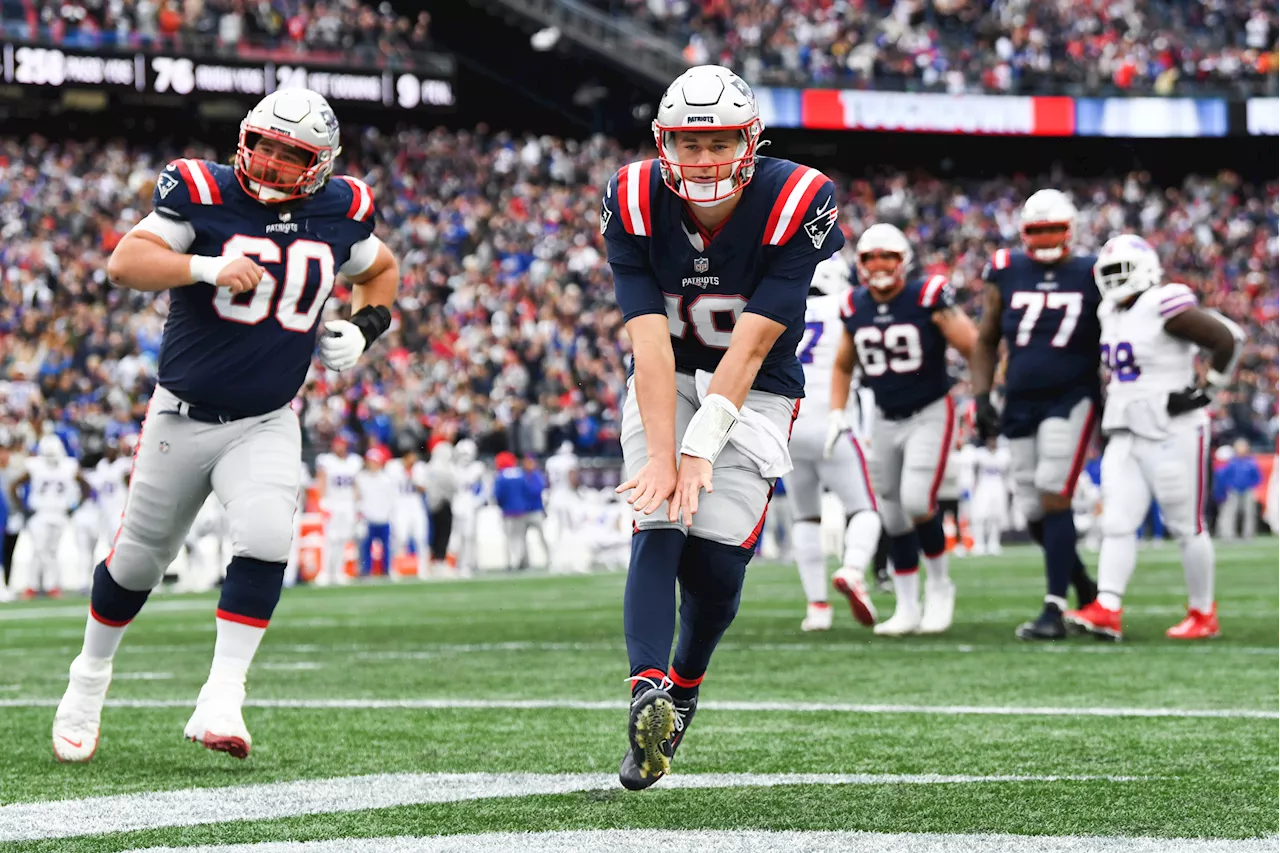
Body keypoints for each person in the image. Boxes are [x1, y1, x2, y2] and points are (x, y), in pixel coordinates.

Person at [51, 87, 399, 763]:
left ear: (320, 163)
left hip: (266, 419)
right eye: (263, 144)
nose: (269, 163)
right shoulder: (201, 191)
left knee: (269, 536)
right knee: (136, 561)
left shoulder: (340, 207)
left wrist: (366, 327)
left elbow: (380, 269)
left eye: (289, 153)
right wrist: (204, 266)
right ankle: (88, 678)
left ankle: (222, 694)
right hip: (180, 417)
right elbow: (125, 262)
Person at [605, 64, 843, 790]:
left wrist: (700, 444)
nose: (703, 159)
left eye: (719, 143)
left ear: (751, 140)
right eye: (687, 142)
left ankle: (684, 683)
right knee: (660, 516)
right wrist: (664, 456)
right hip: (670, 369)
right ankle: (647, 688)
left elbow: (754, 341)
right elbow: (648, 339)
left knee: (714, 565)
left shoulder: (799, 196)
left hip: (759, 380)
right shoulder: (635, 194)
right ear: (662, 142)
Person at [1065, 234, 1242, 641]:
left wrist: (1207, 391)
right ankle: (1107, 606)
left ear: (1145, 269)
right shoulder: (1109, 311)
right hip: (1125, 428)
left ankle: (1202, 612)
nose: (1113, 281)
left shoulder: (1164, 301)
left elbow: (1228, 339)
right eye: (1106, 273)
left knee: (1186, 525)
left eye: (1120, 271)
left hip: (1172, 429)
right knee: (1117, 522)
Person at [826, 223, 978, 637]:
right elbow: (843, 363)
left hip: (930, 409)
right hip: (884, 414)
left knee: (916, 499)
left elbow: (971, 344)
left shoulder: (926, 295)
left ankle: (941, 587)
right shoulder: (855, 304)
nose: (878, 265)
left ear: (903, 261)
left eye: (887, 257)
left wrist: (984, 395)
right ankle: (908, 605)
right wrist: (837, 411)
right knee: (892, 513)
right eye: (871, 257)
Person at [970, 189, 1100, 640]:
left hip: (1072, 396)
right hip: (1020, 399)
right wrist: (982, 396)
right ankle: (1085, 587)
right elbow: (986, 338)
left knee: (1052, 492)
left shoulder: (1092, 272)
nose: (1045, 239)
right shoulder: (1005, 269)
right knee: (1031, 508)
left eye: (1053, 230)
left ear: (1071, 231)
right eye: (1037, 231)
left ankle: (1054, 608)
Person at [787, 254, 879, 632]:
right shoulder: (849, 305)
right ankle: (854, 568)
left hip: (788, 425)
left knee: (804, 515)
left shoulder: (784, 303)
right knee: (864, 510)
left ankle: (817, 607)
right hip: (833, 421)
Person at [315, 436, 362, 586]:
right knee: (330, 539)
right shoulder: (327, 461)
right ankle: (325, 572)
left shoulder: (354, 462)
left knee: (343, 539)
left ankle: (339, 572)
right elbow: (321, 480)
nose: (339, 447)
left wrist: (358, 504)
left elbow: (355, 484)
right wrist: (322, 502)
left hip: (347, 504)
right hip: (333, 503)